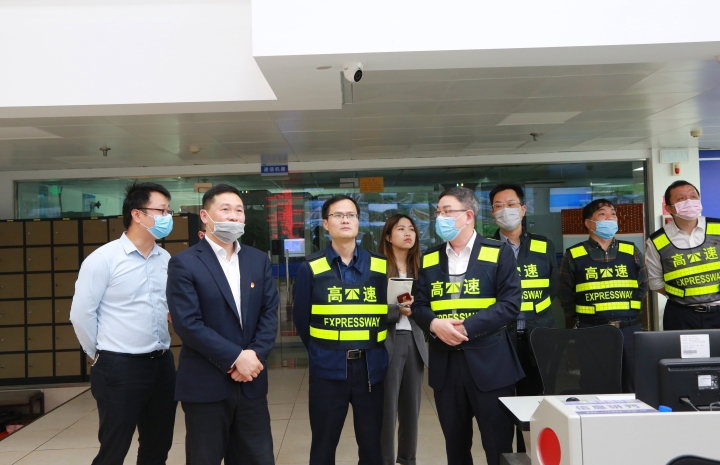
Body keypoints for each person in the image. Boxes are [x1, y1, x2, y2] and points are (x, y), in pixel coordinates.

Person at [166, 184, 279, 465]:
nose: (233, 216)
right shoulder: (184, 263)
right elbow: (188, 324)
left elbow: (269, 313)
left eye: (239, 210)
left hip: (251, 382)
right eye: (225, 209)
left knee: (258, 458)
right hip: (206, 384)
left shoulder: (257, 260)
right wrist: (235, 358)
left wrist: (254, 356)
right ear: (205, 216)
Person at [412, 187, 523, 465]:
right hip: (446, 366)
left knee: (498, 446)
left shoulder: (499, 252)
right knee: (456, 448)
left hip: (491, 364)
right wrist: (434, 324)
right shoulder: (430, 258)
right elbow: (419, 305)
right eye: (438, 212)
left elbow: (510, 304)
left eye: (447, 211)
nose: (440, 218)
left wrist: (466, 328)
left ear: (469, 216)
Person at [70, 182, 177, 465]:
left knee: (158, 445)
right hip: (120, 366)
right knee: (114, 448)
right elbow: (81, 314)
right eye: (161, 211)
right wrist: (100, 354)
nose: (168, 217)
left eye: (169, 211)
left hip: (162, 364)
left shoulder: (165, 258)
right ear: (137, 214)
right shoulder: (103, 259)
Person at [293, 194, 389, 465]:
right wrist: (323, 350)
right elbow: (301, 319)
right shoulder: (310, 267)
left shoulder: (379, 265)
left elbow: (384, 311)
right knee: (323, 446)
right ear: (325, 224)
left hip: (371, 369)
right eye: (338, 215)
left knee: (372, 447)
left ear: (359, 222)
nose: (345, 220)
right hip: (328, 369)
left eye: (351, 215)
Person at [489, 183, 557, 452]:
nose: (505, 210)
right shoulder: (485, 248)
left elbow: (552, 286)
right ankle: (507, 455)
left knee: (535, 403)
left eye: (511, 204)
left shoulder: (543, 245)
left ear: (523, 209)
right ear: (492, 213)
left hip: (537, 334)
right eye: (498, 206)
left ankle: (530, 453)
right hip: (500, 337)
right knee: (502, 402)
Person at [558, 199, 647, 392]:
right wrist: (581, 319)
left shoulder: (631, 250)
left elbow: (642, 286)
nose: (610, 218)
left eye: (613, 214)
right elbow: (565, 293)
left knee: (633, 384)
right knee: (594, 384)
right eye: (602, 214)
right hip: (592, 330)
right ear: (588, 223)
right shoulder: (573, 254)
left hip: (629, 329)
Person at [378, 214, 428, 465]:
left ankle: (408, 459)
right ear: (388, 236)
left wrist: (418, 307)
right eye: (401, 229)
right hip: (388, 340)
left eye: (411, 229)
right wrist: (396, 311)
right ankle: (385, 460)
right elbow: (368, 308)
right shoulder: (377, 268)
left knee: (411, 409)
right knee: (387, 409)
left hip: (415, 340)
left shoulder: (423, 268)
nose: (408, 233)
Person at [646, 180, 720, 329]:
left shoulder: (718, 228)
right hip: (681, 315)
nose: (689, 202)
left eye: (693, 197)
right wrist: (684, 296)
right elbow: (655, 283)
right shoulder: (657, 241)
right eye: (681, 199)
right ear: (668, 208)